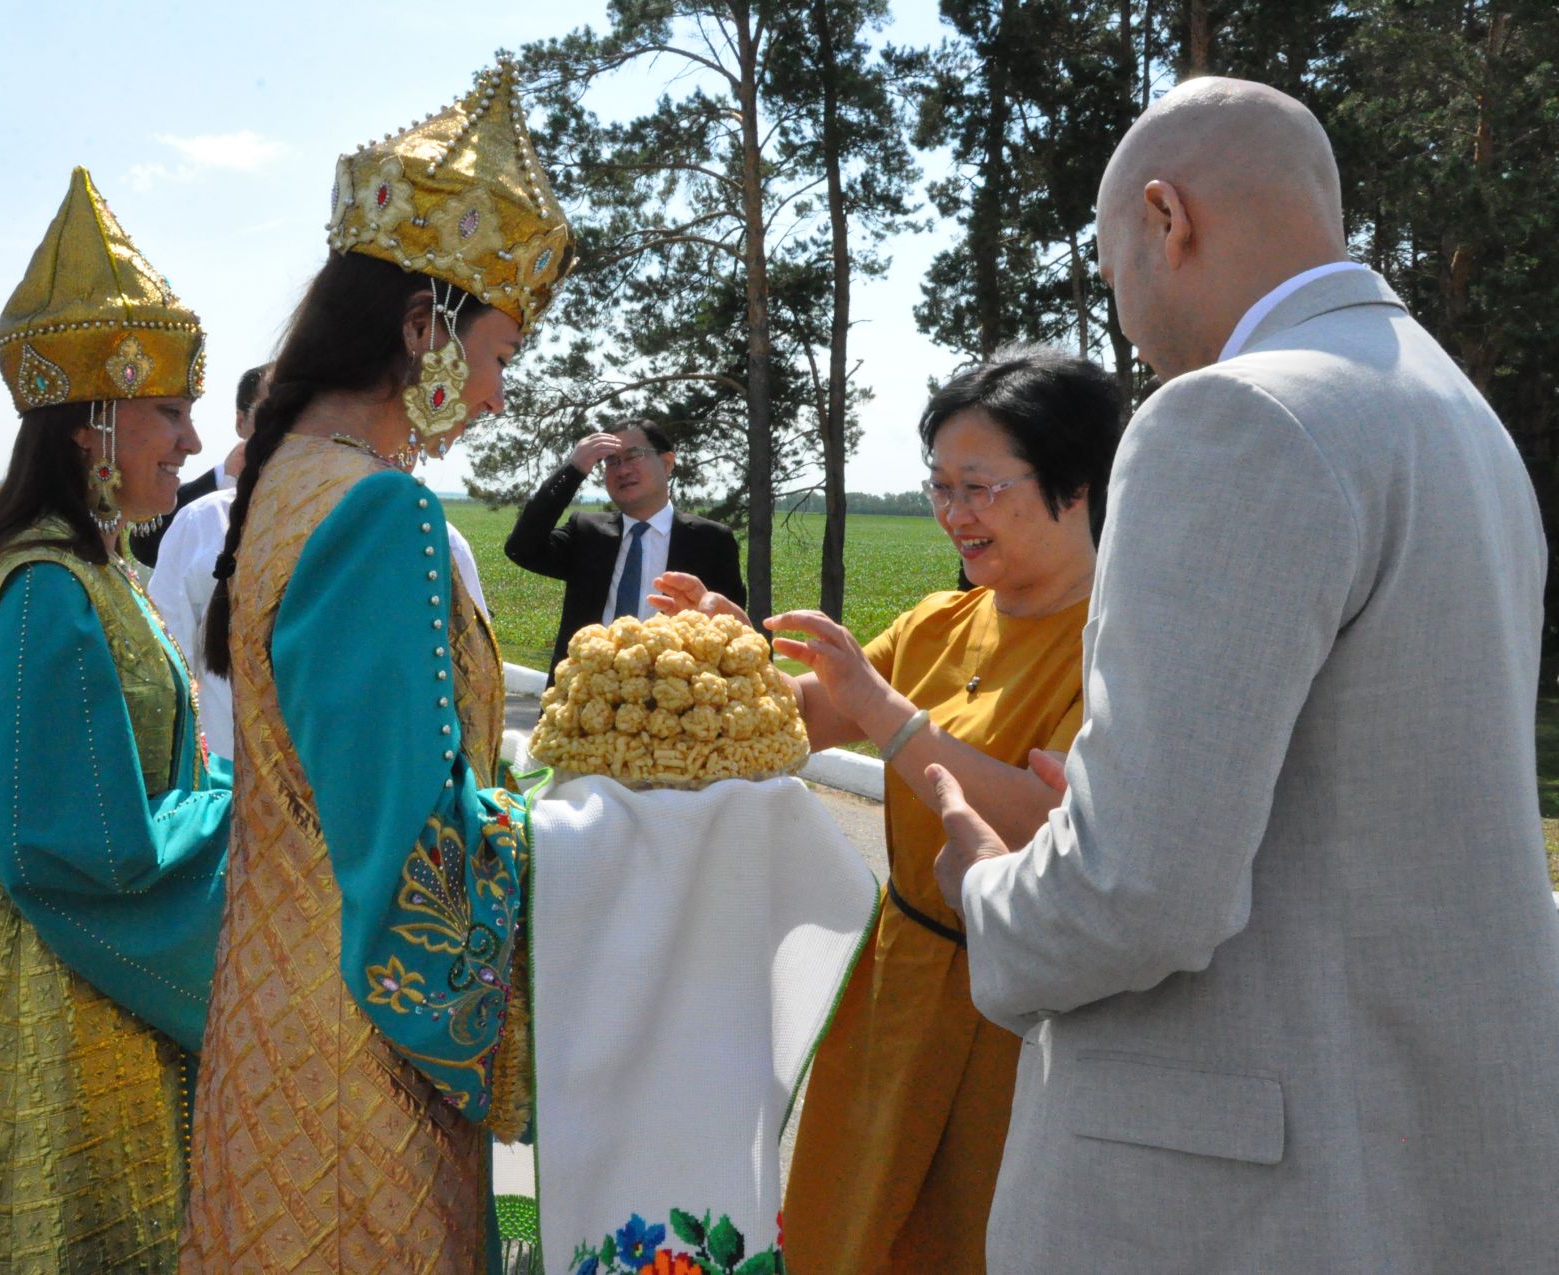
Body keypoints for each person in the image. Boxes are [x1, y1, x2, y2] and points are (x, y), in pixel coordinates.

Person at [928, 78, 1559, 1272]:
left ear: (1168, 219)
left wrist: (991, 885)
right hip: (1423, 1152)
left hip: (1242, 1193)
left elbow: (1139, 892)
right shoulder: (1459, 418)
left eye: (1116, 272)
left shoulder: (1231, 418)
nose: (1127, 323)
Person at [179, 58, 572, 1271]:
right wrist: (568, 821)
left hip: (270, 999)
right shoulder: (380, 511)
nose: (502, 399)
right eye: (503, 355)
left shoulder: (288, 477)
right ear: (425, 328)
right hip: (358, 1054)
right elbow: (412, 849)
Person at [653, 347, 1122, 1273]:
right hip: (892, 987)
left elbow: (1041, 817)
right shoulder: (940, 620)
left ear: (1075, 484)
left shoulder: (1117, 640)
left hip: (1011, 1012)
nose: (954, 514)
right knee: (844, 1225)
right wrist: (725, 647)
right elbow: (807, 716)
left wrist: (888, 712)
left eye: (980, 487)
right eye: (940, 485)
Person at [0, 168, 232, 1274]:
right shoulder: (48, 583)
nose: (189, 443)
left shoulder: (103, 570)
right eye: (171, 411)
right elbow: (72, 841)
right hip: (66, 1007)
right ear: (94, 418)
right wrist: (252, 817)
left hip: (95, 988)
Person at [150, 480, 488, 765]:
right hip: (233, 796)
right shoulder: (201, 523)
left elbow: (470, 690)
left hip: (374, 808)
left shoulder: (435, 538)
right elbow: (167, 679)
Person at [505, 419, 744, 679]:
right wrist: (573, 470)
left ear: (667, 463)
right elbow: (521, 548)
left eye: (633, 456)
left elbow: (732, 629)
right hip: (584, 700)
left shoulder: (711, 541)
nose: (622, 470)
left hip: (671, 704)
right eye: (612, 461)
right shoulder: (586, 532)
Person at [130, 363, 263, 568]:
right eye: (271, 416)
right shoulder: (204, 500)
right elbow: (147, 545)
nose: (287, 430)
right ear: (240, 421)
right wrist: (221, 481)